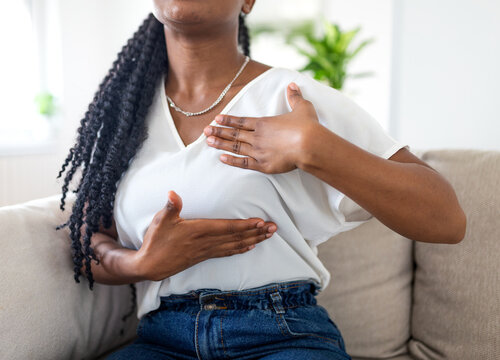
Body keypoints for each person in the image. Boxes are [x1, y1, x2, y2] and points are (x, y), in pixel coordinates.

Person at [56, 1, 467, 359]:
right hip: (163, 340)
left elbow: (447, 220)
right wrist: (143, 263)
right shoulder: (121, 115)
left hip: (282, 334)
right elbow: (90, 243)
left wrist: (317, 149)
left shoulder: (290, 96)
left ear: (248, 1)